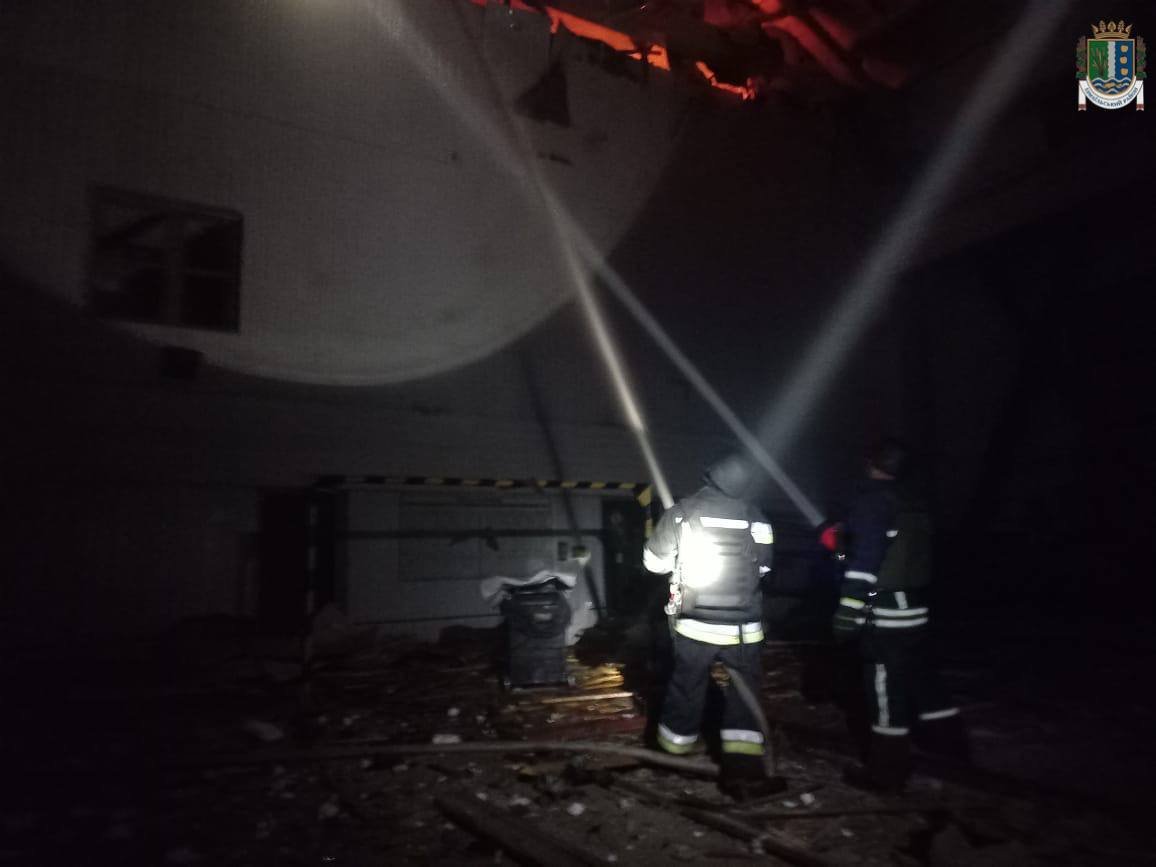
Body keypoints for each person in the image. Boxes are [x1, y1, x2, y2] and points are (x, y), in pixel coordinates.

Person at [826, 438, 967, 792]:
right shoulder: (914, 503)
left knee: (884, 688)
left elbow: (865, 562)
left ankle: (887, 772)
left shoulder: (873, 503)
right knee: (924, 680)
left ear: (870, 463)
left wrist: (847, 612)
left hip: (885, 614)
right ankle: (953, 753)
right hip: (916, 610)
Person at [642, 454, 782, 799]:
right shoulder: (757, 517)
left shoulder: (682, 513)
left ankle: (673, 754)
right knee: (744, 694)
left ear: (709, 478)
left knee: (686, 686)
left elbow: (653, 563)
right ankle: (743, 768)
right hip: (744, 628)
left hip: (695, 625)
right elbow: (764, 569)